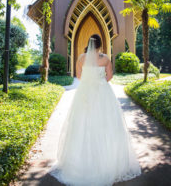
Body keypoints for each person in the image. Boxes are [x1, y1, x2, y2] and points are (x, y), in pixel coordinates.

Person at [50, 34, 141, 185]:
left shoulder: (80, 58)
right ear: (100, 45)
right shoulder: (105, 58)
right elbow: (110, 76)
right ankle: (108, 162)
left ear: (89, 44)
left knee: (83, 124)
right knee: (106, 124)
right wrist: (99, 83)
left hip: (85, 93)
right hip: (103, 92)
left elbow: (79, 76)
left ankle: (82, 162)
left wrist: (90, 82)